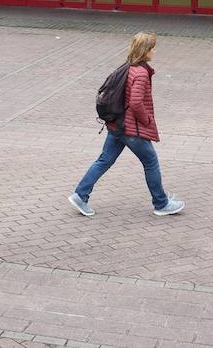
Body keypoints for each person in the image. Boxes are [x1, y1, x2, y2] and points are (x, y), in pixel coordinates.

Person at [69, 31, 183, 218]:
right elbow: (136, 102)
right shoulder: (140, 73)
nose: (155, 51)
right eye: (153, 48)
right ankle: (161, 204)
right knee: (151, 162)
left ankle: (80, 195)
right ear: (145, 51)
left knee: (104, 160)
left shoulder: (127, 67)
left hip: (117, 126)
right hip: (131, 129)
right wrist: (146, 120)